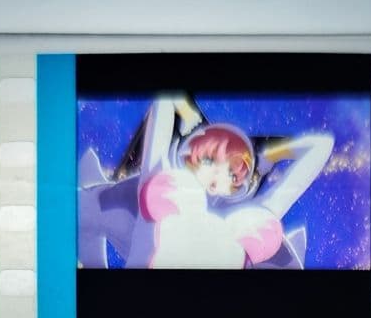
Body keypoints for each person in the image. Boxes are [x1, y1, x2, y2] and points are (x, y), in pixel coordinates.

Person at [79, 97, 334, 270]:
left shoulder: (244, 222)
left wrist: (271, 154)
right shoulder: (163, 183)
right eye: (211, 160)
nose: (219, 177)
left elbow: (322, 146)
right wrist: (188, 113)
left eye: (232, 175)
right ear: (191, 153)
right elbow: (164, 99)